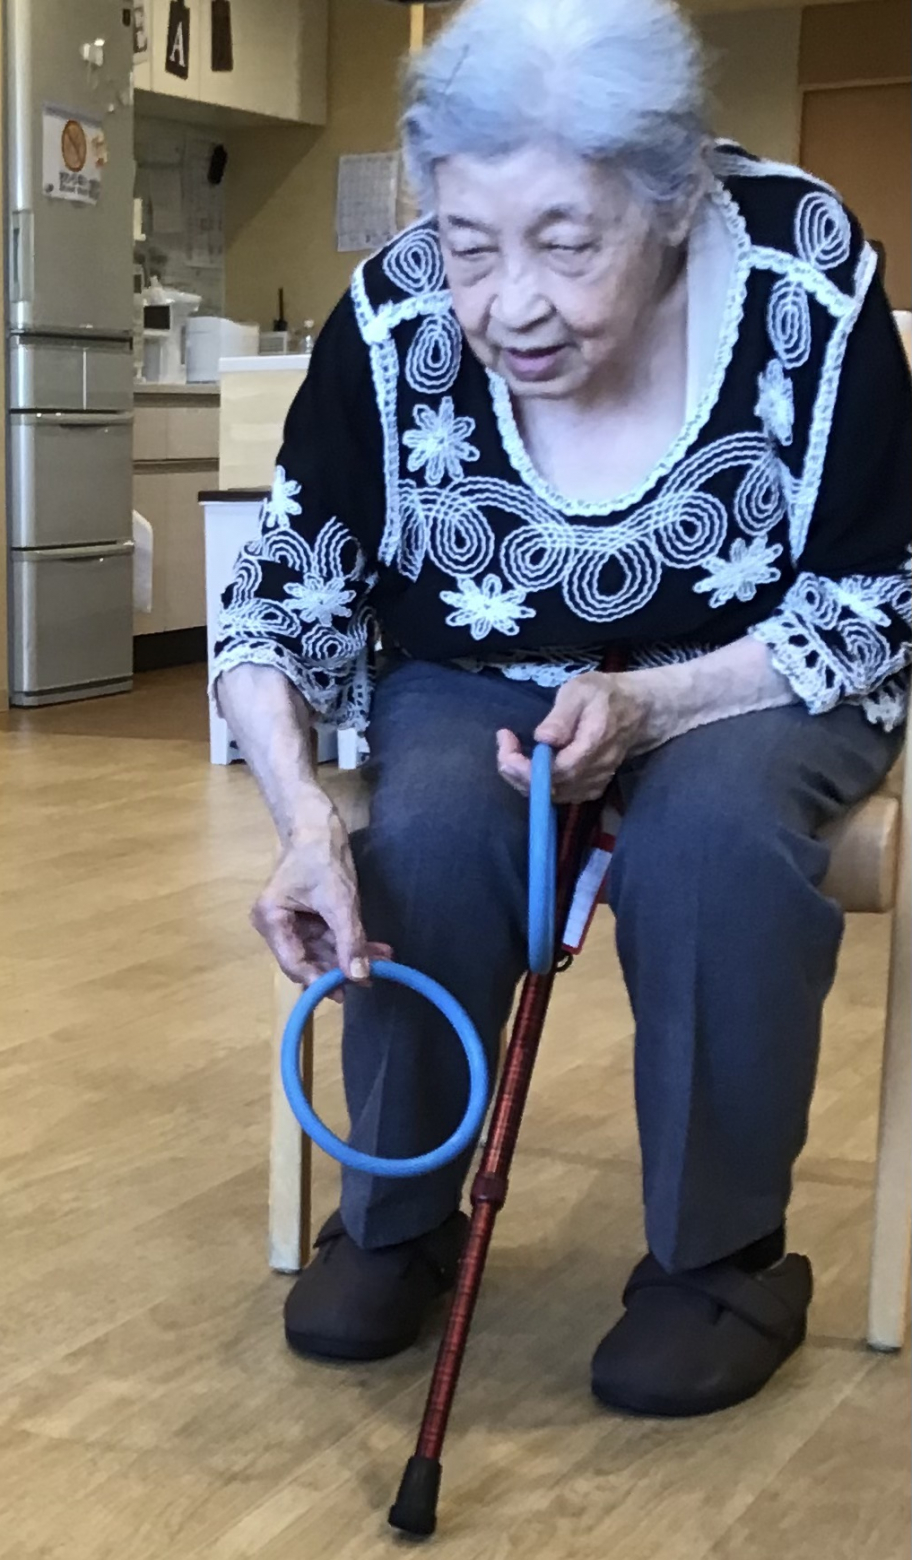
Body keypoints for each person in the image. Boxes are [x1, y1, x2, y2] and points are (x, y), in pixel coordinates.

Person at [215, 0, 910, 1418]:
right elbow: (276, 601)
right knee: (426, 829)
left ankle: (720, 1260)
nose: (508, 305)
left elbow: (878, 590)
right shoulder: (398, 315)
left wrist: (660, 701)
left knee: (711, 843)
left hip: (758, 675)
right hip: (477, 672)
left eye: (566, 245)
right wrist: (301, 826)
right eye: (471, 245)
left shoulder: (804, 271)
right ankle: (397, 1214)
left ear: (673, 200)